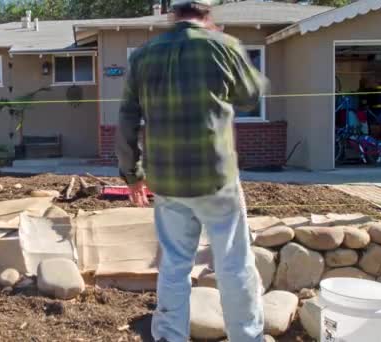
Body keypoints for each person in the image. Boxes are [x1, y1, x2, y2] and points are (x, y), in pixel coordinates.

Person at [115, 0, 268, 341]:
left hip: (166, 181)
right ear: (207, 13)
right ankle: (246, 336)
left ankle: (171, 336)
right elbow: (251, 95)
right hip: (216, 179)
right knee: (234, 264)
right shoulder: (223, 46)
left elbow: (126, 117)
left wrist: (132, 174)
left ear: (173, 13)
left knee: (174, 265)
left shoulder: (143, 55)